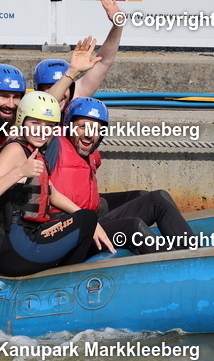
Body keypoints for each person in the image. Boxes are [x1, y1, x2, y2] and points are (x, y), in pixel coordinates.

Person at [0, 91, 121, 277]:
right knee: (87, 220)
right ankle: (68, 281)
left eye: (48, 126)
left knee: (86, 218)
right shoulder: (15, 151)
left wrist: (91, 223)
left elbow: (51, 192)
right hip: (13, 250)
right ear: (21, 121)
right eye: (35, 123)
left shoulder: (31, 150)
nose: (41, 131)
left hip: (5, 245)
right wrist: (19, 172)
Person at [47, 97, 195, 253]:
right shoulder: (54, 144)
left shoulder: (91, 154)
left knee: (156, 199)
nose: (90, 135)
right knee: (132, 227)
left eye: (97, 130)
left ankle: (193, 254)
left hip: (91, 222)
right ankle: (177, 265)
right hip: (67, 233)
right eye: (83, 127)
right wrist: (72, 72)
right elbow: (37, 120)